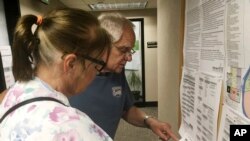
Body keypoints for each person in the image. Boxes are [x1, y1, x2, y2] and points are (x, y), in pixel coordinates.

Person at [0, 8, 113, 141]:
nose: (96, 74)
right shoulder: (71, 128)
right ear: (71, 63)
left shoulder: (13, 95)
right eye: (97, 66)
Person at [69, 12, 179, 141]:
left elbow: (126, 109)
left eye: (130, 50)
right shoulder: (69, 76)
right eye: (123, 50)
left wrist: (150, 121)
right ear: (101, 44)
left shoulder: (117, 72)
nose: (129, 57)